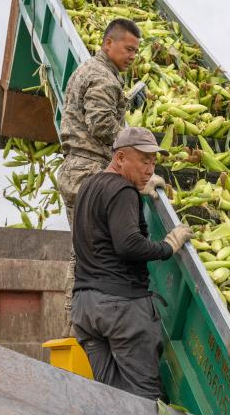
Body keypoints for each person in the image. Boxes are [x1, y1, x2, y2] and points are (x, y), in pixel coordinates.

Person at [70, 127, 192, 400]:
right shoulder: (122, 190)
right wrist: (168, 246)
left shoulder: (90, 185)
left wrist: (137, 191)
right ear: (121, 158)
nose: (149, 169)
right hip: (120, 308)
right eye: (143, 161)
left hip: (86, 309)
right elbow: (127, 243)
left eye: (153, 162)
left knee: (112, 397)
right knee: (143, 399)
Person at [57, 18, 163, 329]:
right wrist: (137, 156)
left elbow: (100, 114)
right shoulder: (103, 77)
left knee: (87, 255)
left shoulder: (97, 72)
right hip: (89, 169)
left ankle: (81, 327)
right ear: (108, 44)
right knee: (87, 258)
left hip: (80, 169)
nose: (133, 55)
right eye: (128, 49)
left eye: (136, 51)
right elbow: (102, 126)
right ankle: (77, 329)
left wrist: (126, 101)